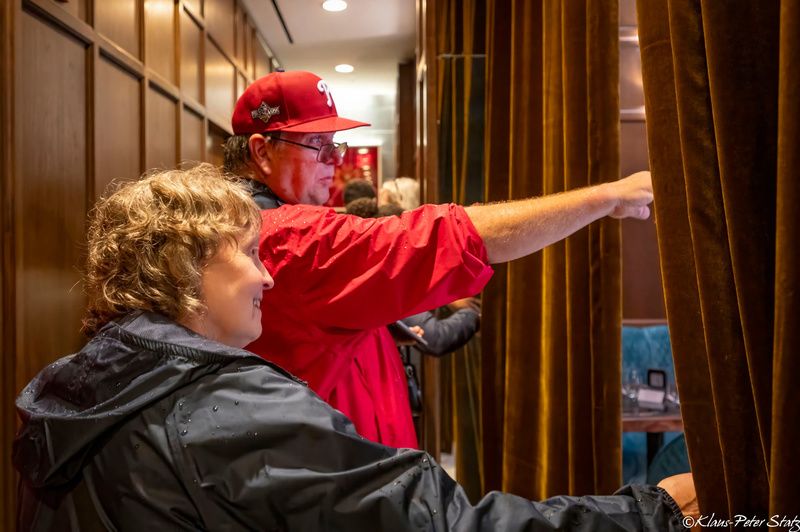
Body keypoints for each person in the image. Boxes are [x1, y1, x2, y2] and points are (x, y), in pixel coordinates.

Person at [13, 164, 696, 530]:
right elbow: (438, 524)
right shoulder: (228, 409)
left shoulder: (82, 380)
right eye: (248, 253)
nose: (268, 275)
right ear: (184, 270)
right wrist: (653, 513)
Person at [224, 70, 655, 450]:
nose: (334, 162)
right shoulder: (287, 237)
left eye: (335, 145)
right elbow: (449, 237)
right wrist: (606, 197)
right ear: (261, 152)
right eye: (318, 145)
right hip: (342, 479)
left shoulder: (249, 227)